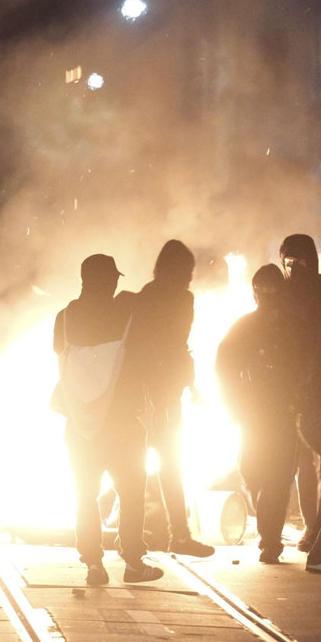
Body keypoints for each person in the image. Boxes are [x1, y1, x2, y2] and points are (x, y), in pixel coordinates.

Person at [53, 254, 164, 585]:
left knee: (84, 492)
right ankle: (132, 560)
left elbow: (60, 353)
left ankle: (93, 564)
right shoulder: (126, 313)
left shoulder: (65, 317)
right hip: (121, 420)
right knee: (131, 491)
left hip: (80, 420)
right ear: (110, 280)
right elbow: (145, 359)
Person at [130, 239, 214, 558]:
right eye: (187, 270)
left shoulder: (144, 297)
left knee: (141, 464)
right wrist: (189, 384)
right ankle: (176, 534)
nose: (190, 277)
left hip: (147, 392)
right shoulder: (180, 299)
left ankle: (143, 534)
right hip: (161, 394)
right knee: (166, 464)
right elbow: (177, 345)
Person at [215, 264, 300, 564]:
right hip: (253, 415)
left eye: (271, 293)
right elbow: (223, 366)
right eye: (261, 293)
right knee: (252, 471)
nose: (266, 299)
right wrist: (233, 405)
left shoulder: (293, 328)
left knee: (276, 477)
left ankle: (270, 539)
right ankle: (269, 534)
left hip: (283, 414)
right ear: (254, 294)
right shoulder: (245, 327)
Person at [278, 234, 321, 573]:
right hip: (319, 406)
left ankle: (316, 540)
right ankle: (318, 548)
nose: (296, 268)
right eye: (291, 262)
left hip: (316, 405)